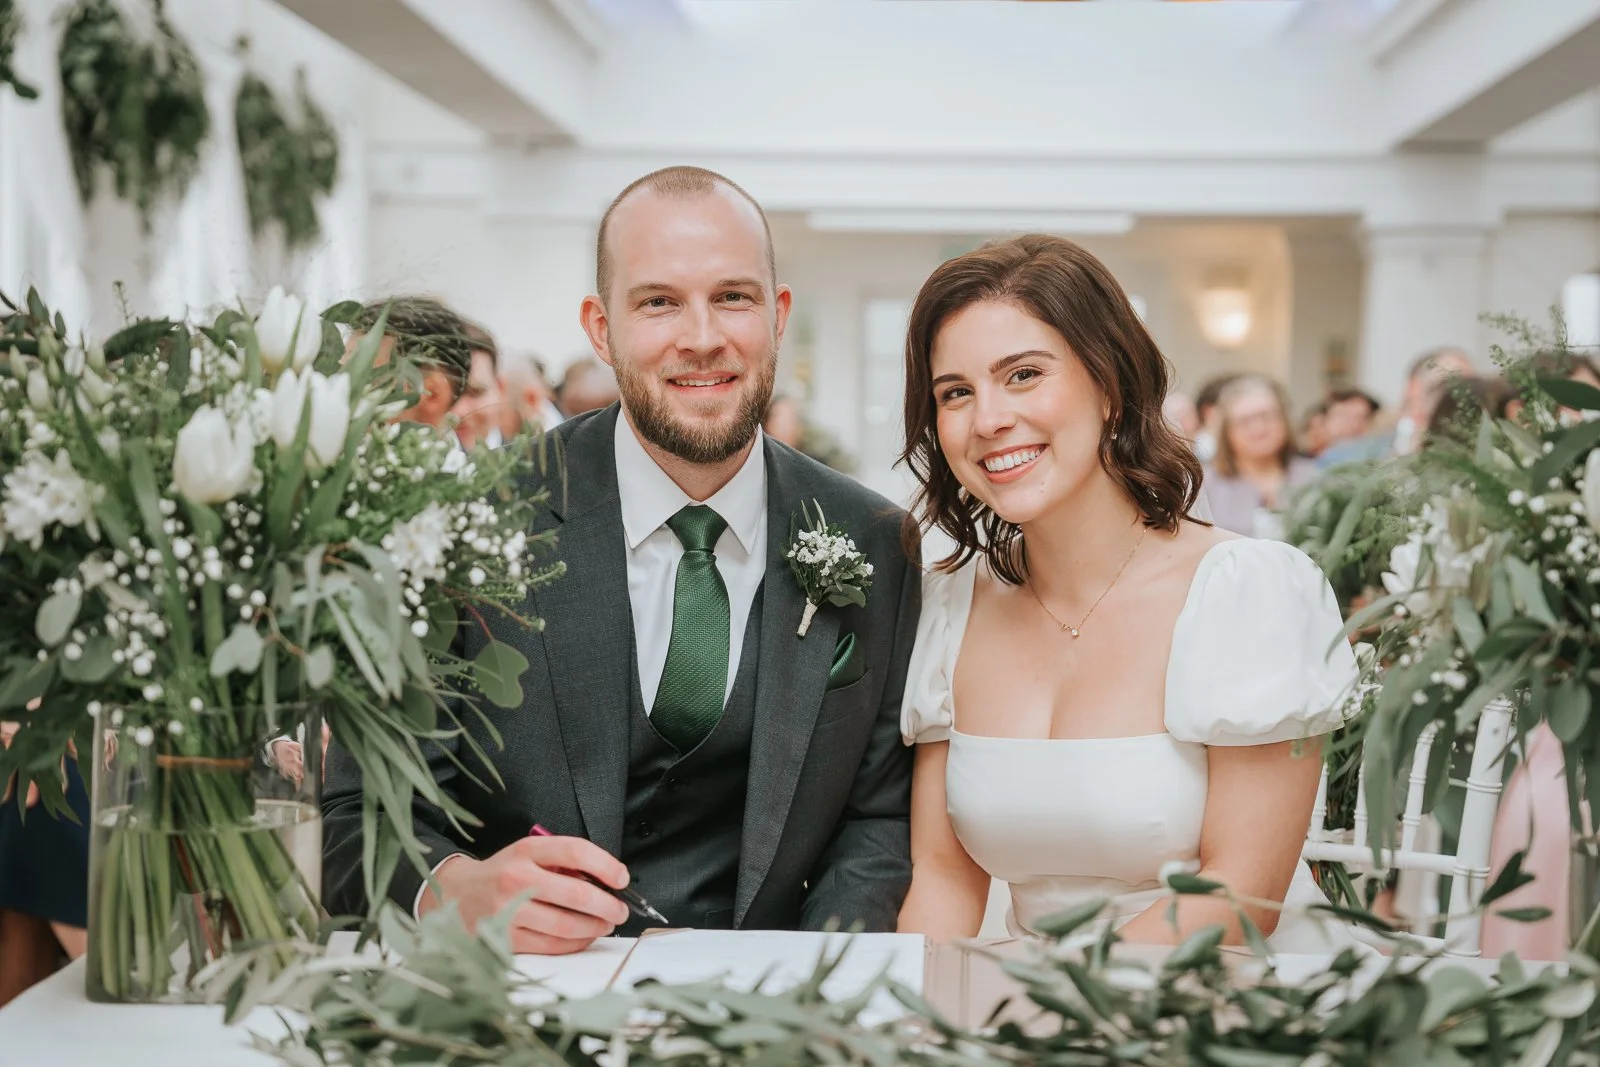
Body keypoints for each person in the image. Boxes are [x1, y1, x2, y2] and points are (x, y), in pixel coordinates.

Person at [321, 165, 921, 953]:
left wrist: (815, 979)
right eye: (659, 301)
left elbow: (875, 819)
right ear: (601, 329)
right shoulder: (462, 520)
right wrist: (448, 889)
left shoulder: (873, 536)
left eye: (733, 297)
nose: (701, 336)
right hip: (519, 1002)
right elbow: (355, 818)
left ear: (777, 316)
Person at [893, 234, 1358, 951]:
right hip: (1018, 1010)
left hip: (1219, 998)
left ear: (1109, 385)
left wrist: (1049, 1009)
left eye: (1022, 375)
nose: (986, 420)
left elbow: (1239, 894)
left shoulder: (1246, 591)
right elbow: (945, 879)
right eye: (956, 392)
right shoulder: (949, 607)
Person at [1202, 375, 1318, 538]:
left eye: (1266, 416)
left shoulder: (1315, 476)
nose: (1259, 427)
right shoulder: (1206, 485)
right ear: (1226, 431)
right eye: (1245, 421)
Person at [1318, 347, 1472, 467]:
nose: (1460, 400)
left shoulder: (1477, 462)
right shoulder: (1346, 459)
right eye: (1448, 388)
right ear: (1414, 389)